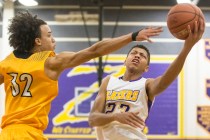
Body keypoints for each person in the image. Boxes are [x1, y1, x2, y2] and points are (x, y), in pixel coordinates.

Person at [0, 10, 162, 140]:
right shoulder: (50, 62)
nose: (53, 39)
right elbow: (95, 50)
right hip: (29, 134)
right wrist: (132, 36)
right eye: (49, 35)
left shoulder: (8, 62)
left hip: (6, 134)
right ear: (38, 41)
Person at [88, 19, 205, 140]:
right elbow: (93, 119)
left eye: (142, 56)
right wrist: (115, 117)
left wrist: (186, 48)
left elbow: (165, 81)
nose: (137, 56)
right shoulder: (108, 81)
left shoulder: (146, 84)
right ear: (125, 61)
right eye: (134, 53)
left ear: (146, 68)